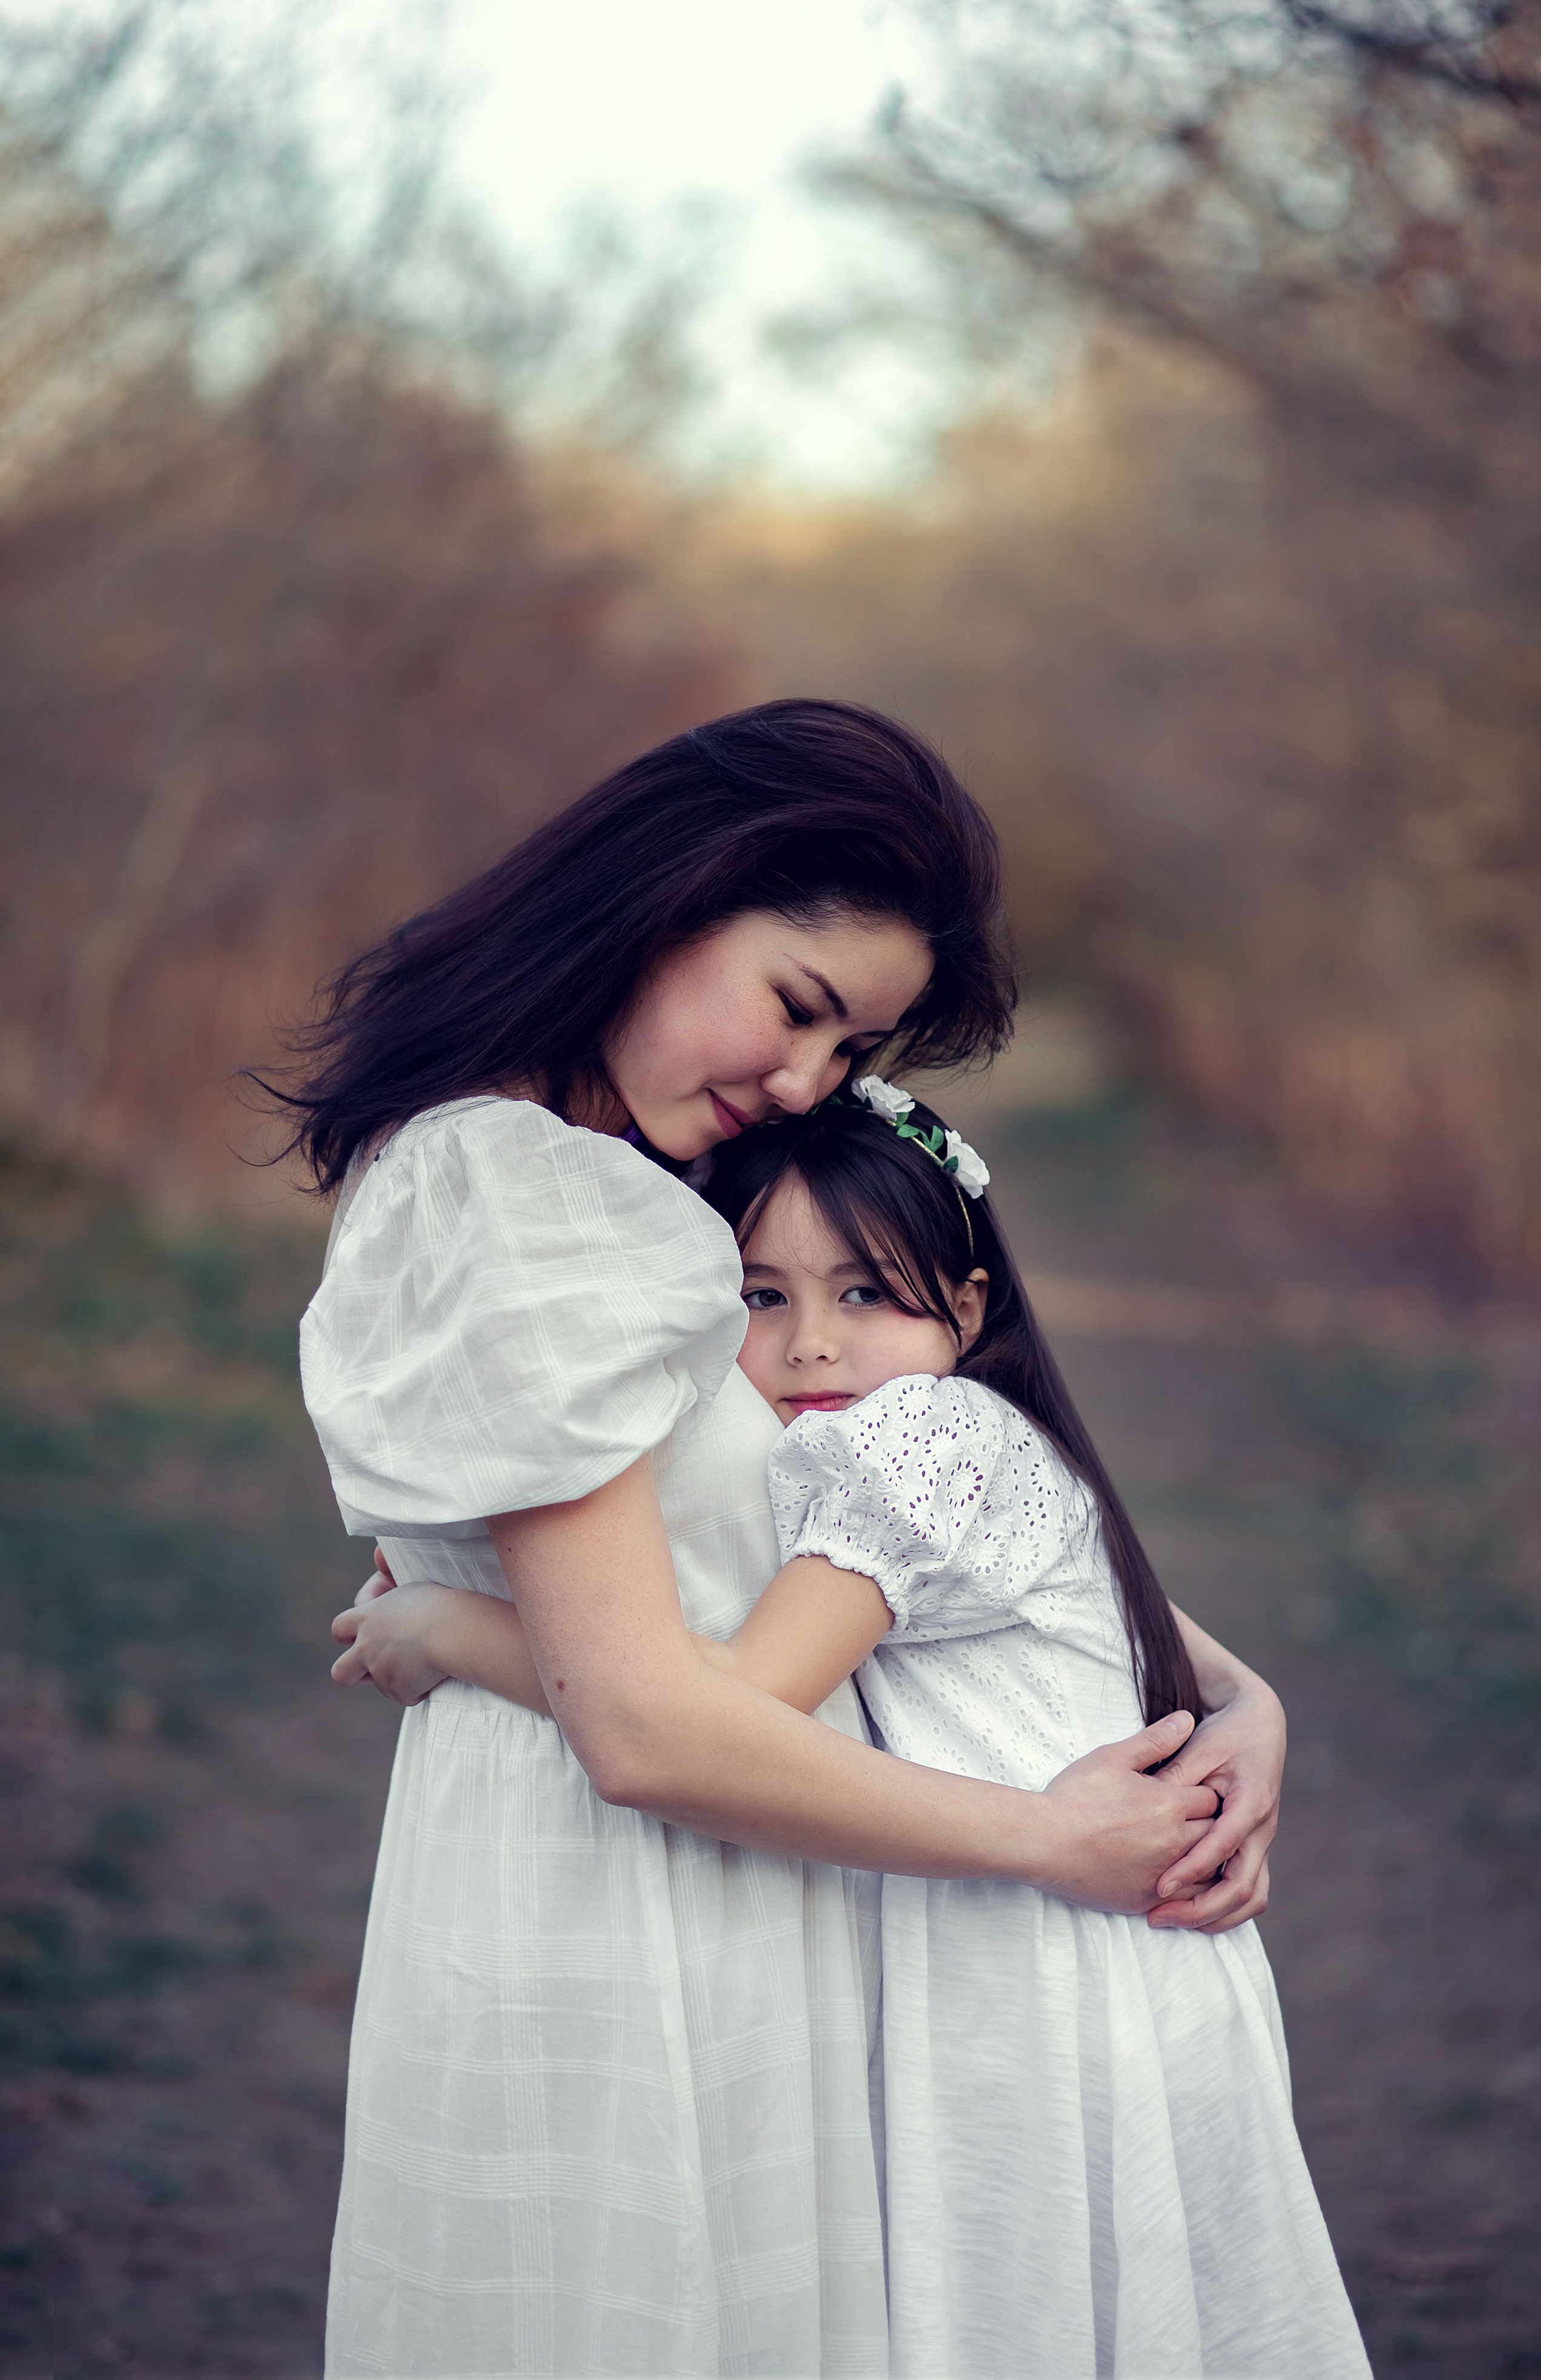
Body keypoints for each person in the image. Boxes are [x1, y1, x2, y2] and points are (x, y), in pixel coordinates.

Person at [297, 698, 1288, 2379]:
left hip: (750, 1889)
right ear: (673, 893)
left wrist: (1249, 1712)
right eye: (798, 1007)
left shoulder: (637, 1191)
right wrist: (1054, 1844)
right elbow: (642, 1728)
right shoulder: (538, 1197)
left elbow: (918, 1528)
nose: (799, 1082)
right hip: (628, 1920)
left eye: (849, 1057)